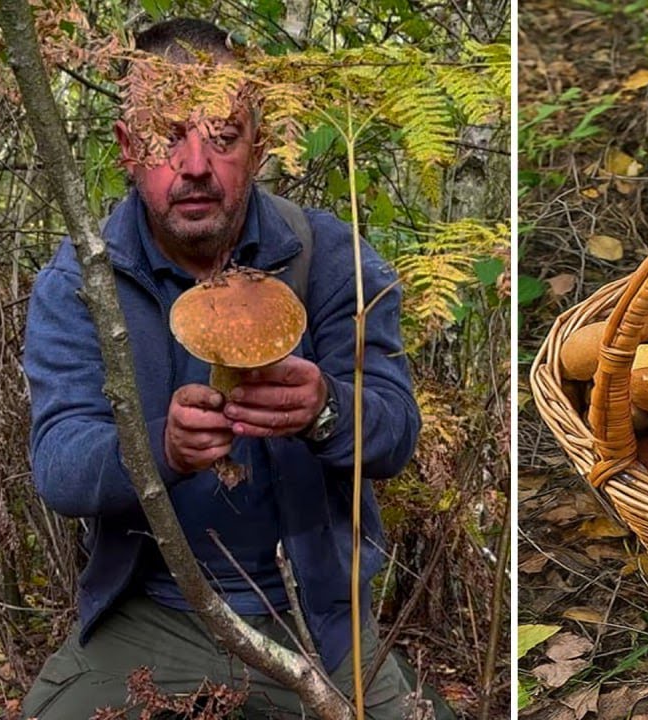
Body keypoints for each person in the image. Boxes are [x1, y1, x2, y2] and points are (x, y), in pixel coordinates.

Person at [21, 18, 425, 719]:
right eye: (166, 135)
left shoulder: (328, 259)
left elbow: (396, 434)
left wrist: (326, 410)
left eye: (223, 137)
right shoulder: (79, 281)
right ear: (126, 148)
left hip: (317, 621)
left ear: (260, 145)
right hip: (154, 613)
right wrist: (161, 448)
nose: (195, 164)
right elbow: (60, 465)